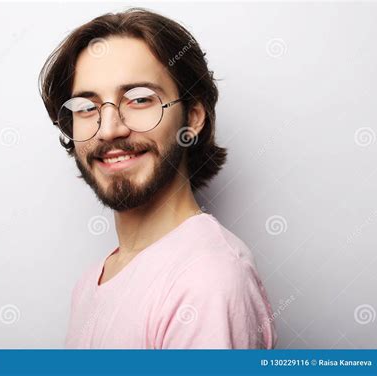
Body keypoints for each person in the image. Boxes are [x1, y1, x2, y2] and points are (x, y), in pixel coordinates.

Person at [39, 7, 277, 349]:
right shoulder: (92, 282)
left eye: (138, 99)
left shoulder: (206, 280)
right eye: (86, 107)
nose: (108, 129)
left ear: (193, 118)